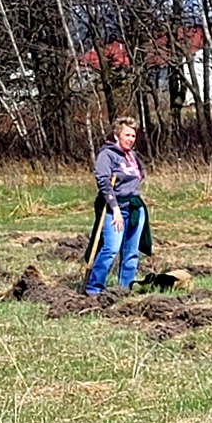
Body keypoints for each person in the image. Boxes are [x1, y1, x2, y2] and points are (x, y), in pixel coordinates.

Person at [84, 117, 151, 296]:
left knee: (131, 253)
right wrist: (115, 208)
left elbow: (140, 175)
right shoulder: (107, 154)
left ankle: (124, 289)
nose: (130, 138)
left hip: (135, 206)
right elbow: (103, 182)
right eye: (127, 135)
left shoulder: (132, 155)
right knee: (111, 248)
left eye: (133, 135)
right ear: (117, 135)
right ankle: (94, 288)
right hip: (114, 208)